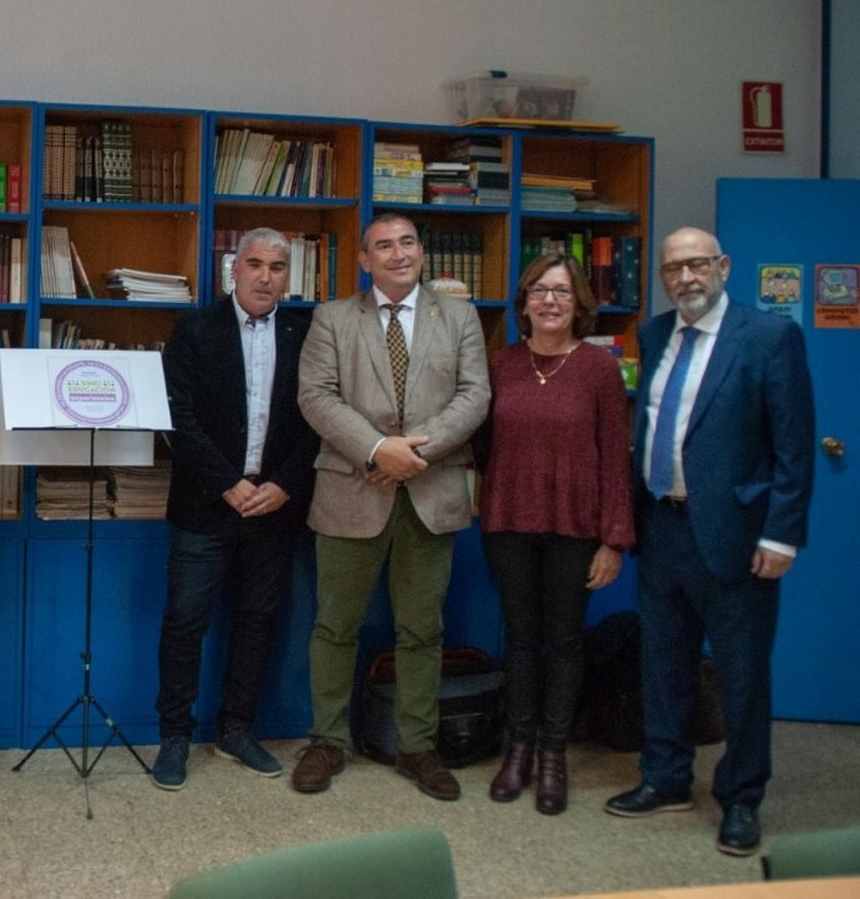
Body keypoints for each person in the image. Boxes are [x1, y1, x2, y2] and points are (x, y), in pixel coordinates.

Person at [605, 226, 814, 857]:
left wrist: (783, 534)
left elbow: (794, 447)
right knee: (662, 665)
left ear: (723, 265)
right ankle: (665, 778)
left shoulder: (770, 337)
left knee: (741, 673)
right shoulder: (653, 333)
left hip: (737, 535)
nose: (685, 278)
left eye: (697, 265)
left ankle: (742, 797)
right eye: (674, 269)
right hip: (662, 528)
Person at [292, 213, 489, 800]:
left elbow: (475, 394)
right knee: (334, 627)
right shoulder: (332, 317)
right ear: (364, 259)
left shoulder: (458, 315)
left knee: (423, 629)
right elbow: (316, 395)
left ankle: (418, 746)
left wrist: (413, 453)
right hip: (351, 491)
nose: (398, 253)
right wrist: (377, 448)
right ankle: (328, 741)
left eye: (407, 243)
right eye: (384, 246)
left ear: (421, 252)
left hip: (431, 492)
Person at [149, 228, 316, 791]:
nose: (265, 276)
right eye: (254, 264)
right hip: (206, 504)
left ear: (287, 276)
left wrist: (285, 484)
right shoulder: (195, 329)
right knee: (185, 623)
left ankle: (237, 730)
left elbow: (321, 419)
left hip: (275, 506)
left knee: (257, 620)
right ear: (233, 270)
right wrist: (227, 483)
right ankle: (174, 735)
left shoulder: (307, 332)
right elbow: (176, 416)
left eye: (277, 266)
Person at [475, 253, 634, 815]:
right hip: (508, 521)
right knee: (520, 637)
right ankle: (516, 749)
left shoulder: (598, 369)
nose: (549, 301)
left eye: (562, 292)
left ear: (579, 304)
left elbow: (616, 458)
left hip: (575, 525)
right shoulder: (500, 366)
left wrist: (613, 539)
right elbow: (481, 446)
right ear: (523, 303)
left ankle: (552, 755)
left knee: (564, 641)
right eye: (539, 291)